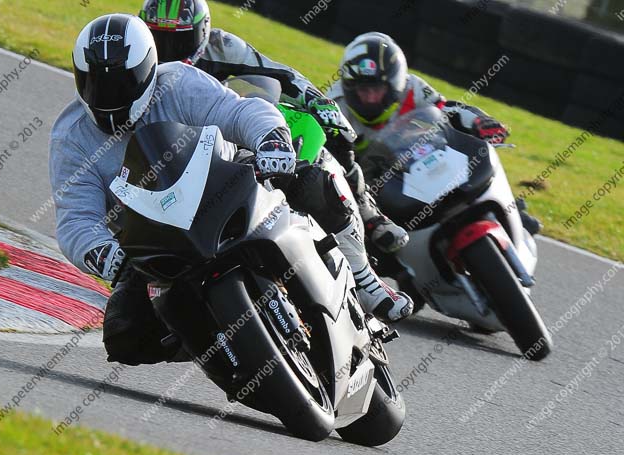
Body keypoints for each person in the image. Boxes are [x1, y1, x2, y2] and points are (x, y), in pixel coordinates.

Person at [49, 14, 413, 366]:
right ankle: (213, 345)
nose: (109, 95)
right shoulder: (71, 136)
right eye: (98, 82)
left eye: (121, 82)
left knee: (313, 181)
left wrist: (270, 140)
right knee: (125, 338)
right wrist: (106, 255)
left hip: (225, 187)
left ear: (147, 69)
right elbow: (76, 218)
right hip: (157, 242)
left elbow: (237, 111)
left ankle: (363, 278)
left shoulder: (177, 82)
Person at [138, 0, 409, 254]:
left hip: (226, 139)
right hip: (167, 153)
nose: (169, 51)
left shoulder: (221, 45)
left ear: (203, 32)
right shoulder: (136, 61)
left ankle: (368, 214)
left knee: (328, 139)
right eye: (159, 39)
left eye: (179, 40)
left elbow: (282, 74)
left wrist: (318, 102)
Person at [328, 32, 542, 235]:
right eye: (363, 90)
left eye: (378, 89)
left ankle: (509, 210)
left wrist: (479, 120)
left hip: (423, 158)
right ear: (348, 87)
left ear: (394, 84)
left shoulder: (412, 87)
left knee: (472, 154)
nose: (371, 98)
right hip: (377, 186)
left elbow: (446, 109)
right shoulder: (335, 107)